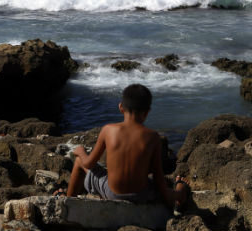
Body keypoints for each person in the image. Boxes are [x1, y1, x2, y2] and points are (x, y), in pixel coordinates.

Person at [61, 83, 189, 208]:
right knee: (162, 187)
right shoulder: (153, 137)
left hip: (111, 193)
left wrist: (81, 151)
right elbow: (158, 177)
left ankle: (67, 204)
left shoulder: (108, 130)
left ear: (121, 107)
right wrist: (168, 202)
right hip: (142, 195)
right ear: (147, 111)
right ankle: (180, 192)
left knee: (79, 161)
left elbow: (88, 164)